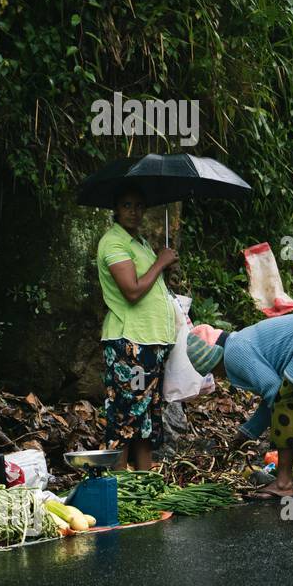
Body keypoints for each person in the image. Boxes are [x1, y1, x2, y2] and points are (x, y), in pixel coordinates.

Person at [184, 312, 293, 500]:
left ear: (215, 358)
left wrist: (247, 432)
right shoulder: (243, 339)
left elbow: (274, 392)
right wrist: (248, 432)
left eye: (213, 370)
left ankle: (283, 484)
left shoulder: (234, 351)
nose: (218, 376)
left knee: (285, 403)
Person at [96, 185, 177, 470]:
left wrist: (160, 265)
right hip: (129, 342)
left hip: (150, 341)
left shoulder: (138, 242)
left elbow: (149, 282)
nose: (134, 211)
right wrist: (160, 262)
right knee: (125, 416)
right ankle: (119, 489)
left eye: (139, 205)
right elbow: (131, 290)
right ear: (116, 209)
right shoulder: (113, 243)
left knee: (147, 416)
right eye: (127, 205)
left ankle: (144, 483)